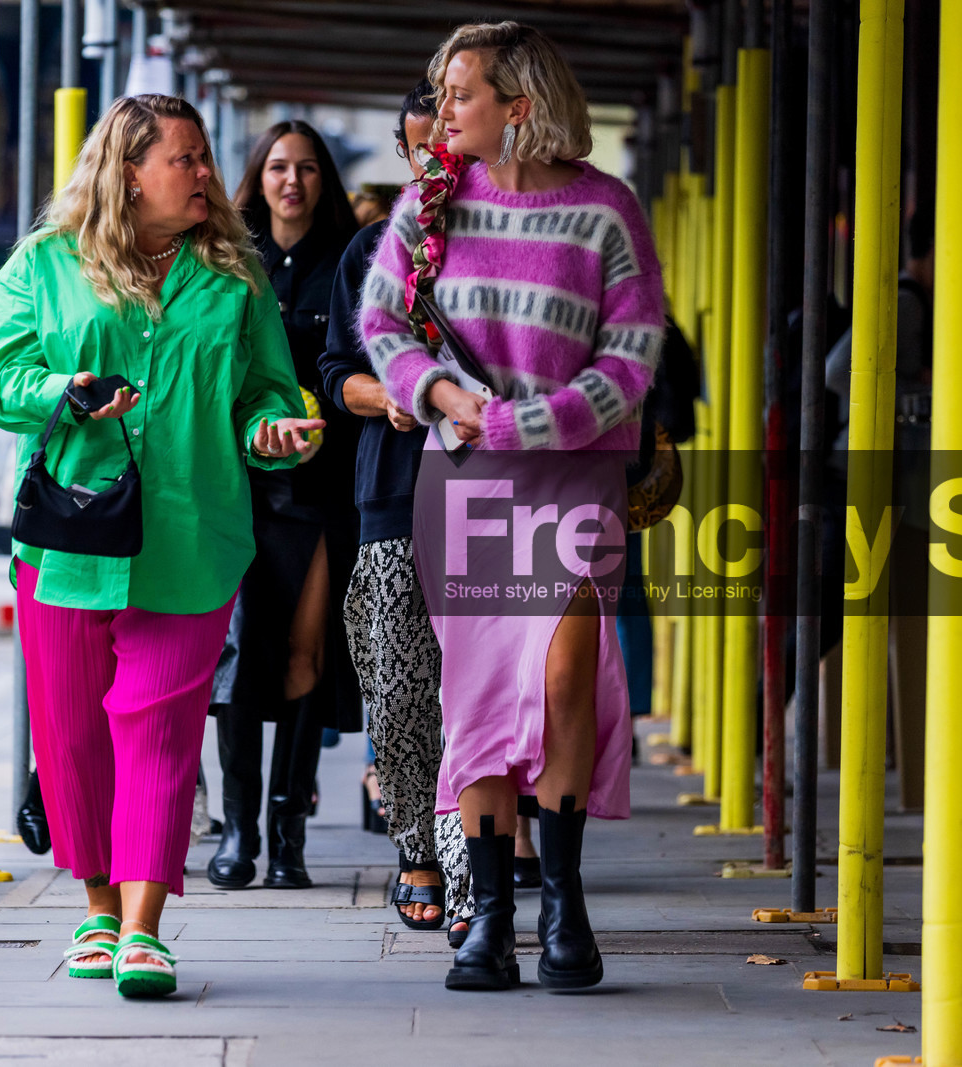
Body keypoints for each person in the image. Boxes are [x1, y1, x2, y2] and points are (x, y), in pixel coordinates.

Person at [0, 94, 318, 999]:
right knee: (75, 734)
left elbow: (268, 393)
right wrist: (67, 388)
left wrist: (277, 430)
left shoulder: (235, 279)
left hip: (193, 535)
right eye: (187, 158)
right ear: (130, 170)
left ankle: (142, 926)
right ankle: (94, 906)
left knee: (161, 732)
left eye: (204, 159)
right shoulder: (45, 266)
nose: (207, 173)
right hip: (69, 537)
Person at [361, 22, 664, 992]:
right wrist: (443, 397)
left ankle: (564, 896)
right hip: (467, 477)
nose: (442, 111)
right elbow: (379, 323)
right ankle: (490, 914)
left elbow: (633, 349)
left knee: (569, 671)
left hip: (573, 474)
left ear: (518, 104)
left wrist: (548, 417)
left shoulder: (604, 210)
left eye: (461, 93)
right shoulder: (432, 203)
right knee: (482, 695)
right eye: (444, 94)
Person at [319, 80, 475, 938]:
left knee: (483, 691)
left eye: (447, 147)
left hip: (491, 492)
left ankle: (474, 856)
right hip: (393, 487)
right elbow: (334, 371)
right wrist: (390, 395)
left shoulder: (507, 246)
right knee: (402, 686)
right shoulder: (374, 249)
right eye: (419, 148)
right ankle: (419, 849)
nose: (433, 163)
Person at [208, 120, 363, 891]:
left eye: (306, 167)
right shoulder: (229, 261)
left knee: (307, 654)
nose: (291, 180)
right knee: (236, 653)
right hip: (241, 486)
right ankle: (237, 829)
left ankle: (286, 831)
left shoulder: (352, 262)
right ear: (257, 177)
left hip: (322, 486)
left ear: (324, 179)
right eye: (277, 166)